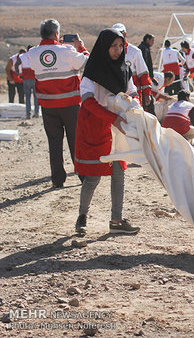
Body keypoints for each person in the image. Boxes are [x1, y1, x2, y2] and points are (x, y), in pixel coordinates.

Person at [74, 28, 140, 235]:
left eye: (121, 46)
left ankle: (117, 220)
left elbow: (133, 93)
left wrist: (137, 111)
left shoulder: (124, 69)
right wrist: (114, 119)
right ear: (104, 47)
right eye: (113, 46)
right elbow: (88, 104)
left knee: (119, 172)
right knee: (93, 176)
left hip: (116, 126)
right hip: (95, 126)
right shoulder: (92, 72)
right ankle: (82, 217)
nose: (118, 50)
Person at [19, 19, 89, 188]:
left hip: (48, 107)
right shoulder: (67, 50)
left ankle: (57, 179)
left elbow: (22, 62)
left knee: (54, 142)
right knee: (75, 141)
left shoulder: (33, 53)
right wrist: (81, 47)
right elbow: (87, 61)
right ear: (57, 34)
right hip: (70, 105)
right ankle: (83, 176)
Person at [111, 23, 152, 107]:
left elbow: (143, 73)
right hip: (115, 96)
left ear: (125, 34)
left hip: (133, 96)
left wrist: (147, 94)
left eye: (120, 33)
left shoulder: (134, 52)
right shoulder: (109, 52)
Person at [19, 45, 39, 118]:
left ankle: (28, 113)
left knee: (27, 97)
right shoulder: (36, 56)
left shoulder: (22, 56)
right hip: (35, 78)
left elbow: (16, 65)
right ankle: (36, 112)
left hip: (26, 78)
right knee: (36, 97)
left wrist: (19, 74)